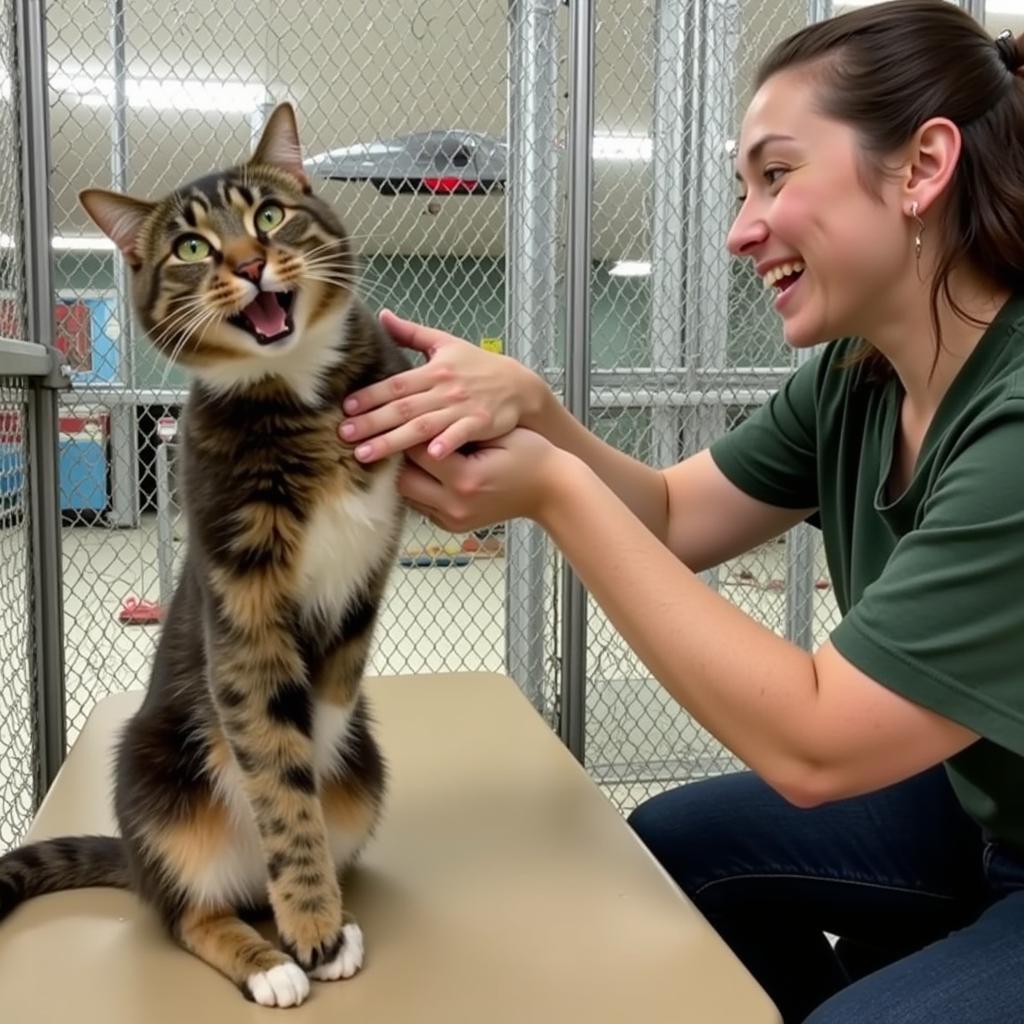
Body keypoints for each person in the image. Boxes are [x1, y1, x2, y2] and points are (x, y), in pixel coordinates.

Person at [336, 2, 1024, 1020]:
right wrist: (541, 415)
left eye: (776, 174)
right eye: (739, 186)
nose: (741, 227)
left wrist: (556, 489)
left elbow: (817, 743)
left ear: (922, 167)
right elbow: (667, 514)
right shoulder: (859, 372)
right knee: (677, 849)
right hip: (983, 801)